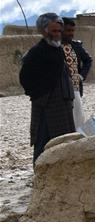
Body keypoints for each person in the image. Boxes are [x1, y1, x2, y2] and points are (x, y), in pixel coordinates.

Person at [19, 13, 76, 164]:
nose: (57, 34)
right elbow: (25, 78)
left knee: (64, 139)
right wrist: (41, 96)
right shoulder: (37, 52)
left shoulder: (57, 49)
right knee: (43, 140)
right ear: (44, 31)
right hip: (46, 104)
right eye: (53, 31)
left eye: (59, 31)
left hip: (63, 103)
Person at [61, 17, 92, 127]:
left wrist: (82, 76)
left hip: (75, 88)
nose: (71, 33)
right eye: (68, 30)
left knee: (78, 118)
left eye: (72, 31)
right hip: (60, 91)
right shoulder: (54, 47)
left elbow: (88, 60)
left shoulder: (76, 46)